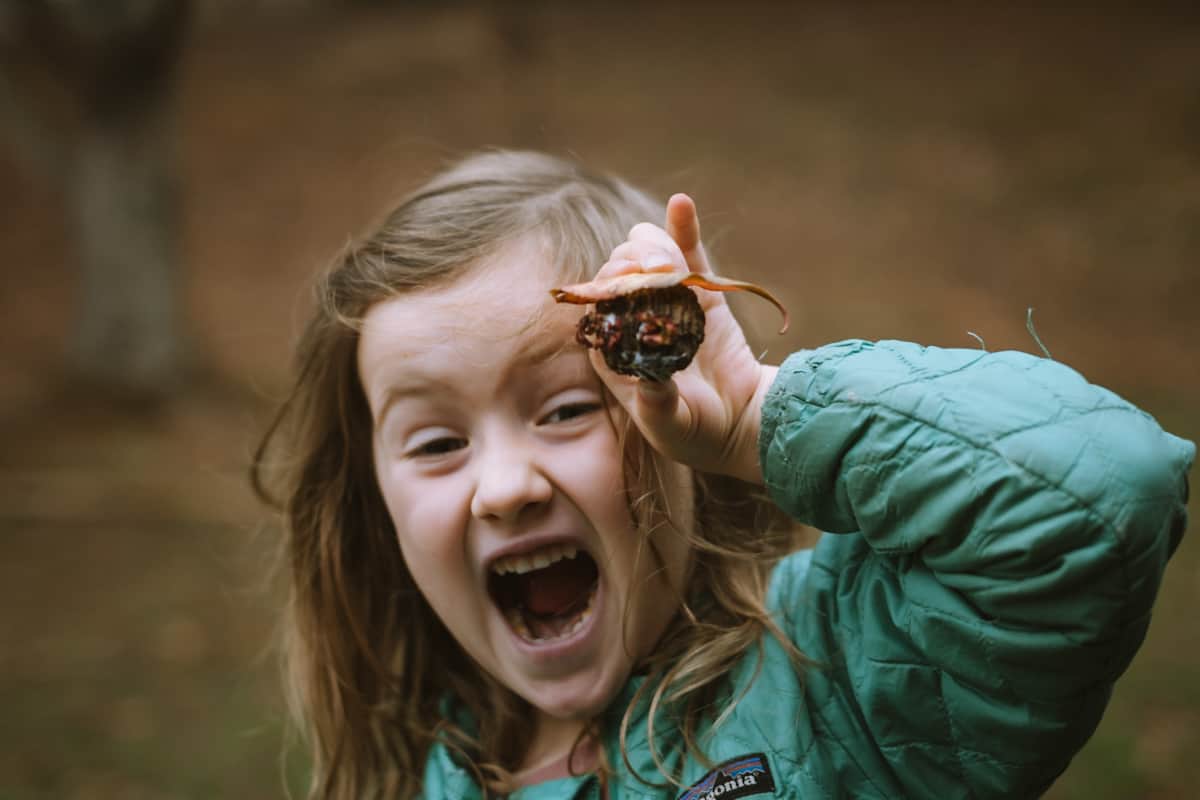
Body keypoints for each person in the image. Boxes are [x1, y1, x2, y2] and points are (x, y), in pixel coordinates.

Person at [251, 149, 1193, 799]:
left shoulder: (843, 676)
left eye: (569, 409)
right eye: (435, 442)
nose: (504, 488)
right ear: (373, 506)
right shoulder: (426, 775)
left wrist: (756, 416)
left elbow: (1098, 494)